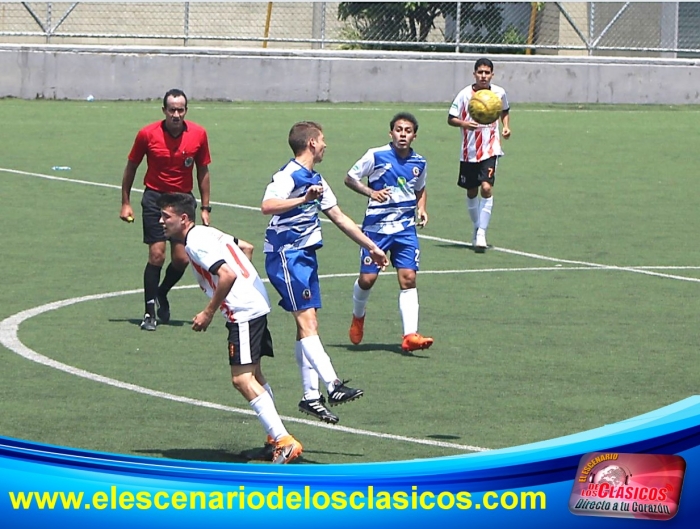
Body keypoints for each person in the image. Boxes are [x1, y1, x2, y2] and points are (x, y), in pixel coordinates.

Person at [157, 192, 303, 464]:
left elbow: (228, 274)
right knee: (254, 375)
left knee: (242, 380)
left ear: (183, 218)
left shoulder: (195, 243)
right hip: (254, 304)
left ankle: (284, 441)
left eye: (166, 216)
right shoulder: (207, 231)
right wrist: (248, 288)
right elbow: (247, 248)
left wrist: (208, 312)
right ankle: (273, 441)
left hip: (243, 312)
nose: (161, 221)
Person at [261, 121, 389, 425]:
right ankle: (333, 384)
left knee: (308, 324)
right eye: (322, 140)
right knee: (307, 323)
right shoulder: (288, 175)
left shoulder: (318, 180)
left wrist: (372, 247)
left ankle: (310, 397)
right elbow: (267, 205)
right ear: (311, 144)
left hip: (305, 256)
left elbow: (340, 218)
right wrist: (304, 199)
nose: (325, 145)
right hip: (285, 255)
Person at [120, 88, 212, 331]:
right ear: (164, 110)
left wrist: (205, 207)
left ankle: (162, 292)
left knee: (182, 259)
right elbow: (131, 167)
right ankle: (149, 312)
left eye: (180, 110)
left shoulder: (199, 134)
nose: (176, 115)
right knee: (157, 255)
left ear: (186, 111)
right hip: (155, 198)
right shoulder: (147, 134)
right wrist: (125, 202)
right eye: (172, 110)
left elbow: (203, 170)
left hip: (183, 201)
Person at [344, 112, 433, 353]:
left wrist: (422, 208)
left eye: (408, 131)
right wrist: (370, 192)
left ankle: (410, 335)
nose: (402, 134)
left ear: (414, 136)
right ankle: (358, 316)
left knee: (409, 278)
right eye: (398, 130)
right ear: (391, 133)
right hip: (376, 230)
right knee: (367, 280)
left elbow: (420, 188)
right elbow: (350, 178)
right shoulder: (376, 155)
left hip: (405, 230)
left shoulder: (419, 162)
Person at [447, 58, 511, 252]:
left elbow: (504, 110)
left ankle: (482, 231)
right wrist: (464, 124)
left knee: (486, 187)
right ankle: (476, 226)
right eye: (480, 72)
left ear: (492, 74)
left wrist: (506, 126)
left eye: (487, 72)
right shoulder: (465, 94)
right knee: (471, 191)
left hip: (490, 148)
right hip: (469, 151)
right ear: (474, 74)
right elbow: (451, 118)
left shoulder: (499, 93)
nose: (483, 76)